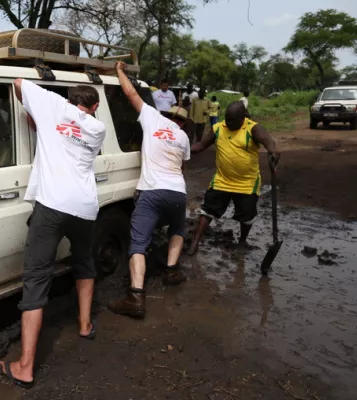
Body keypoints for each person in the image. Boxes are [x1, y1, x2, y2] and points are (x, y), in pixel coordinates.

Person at [0, 77, 105, 388]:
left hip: (52, 204)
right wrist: (42, 119)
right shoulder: (98, 129)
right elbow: (65, 139)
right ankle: (85, 324)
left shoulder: (54, 107)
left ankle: (25, 366)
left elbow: (19, 83)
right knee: (84, 261)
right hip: (85, 206)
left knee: (36, 278)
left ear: (70, 100)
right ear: (95, 107)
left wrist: (32, 107)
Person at [107, 62, 191, 318]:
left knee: (138, 243)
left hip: (152, 192)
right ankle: (172, 271)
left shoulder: (153, 118)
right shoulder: (183, 137)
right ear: (183, 124)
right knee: (177, 229)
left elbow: (131, 93)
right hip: (178, 192)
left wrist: (119, 71)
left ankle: (135, 296)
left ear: (166, 115)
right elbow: (181, 167)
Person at [187, 101, 279, 256]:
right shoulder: (218, 128)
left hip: (247, 184)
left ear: (243, 117)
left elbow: (268, 141)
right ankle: (195, 242)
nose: (228, 123)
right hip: (222, 181)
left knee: (246, 216)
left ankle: (242, 241)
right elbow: (201, 145)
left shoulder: (252, 128)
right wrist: (182, 149)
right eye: (227, 118)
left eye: (232, 120)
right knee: (208, 210)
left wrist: (273, 152)